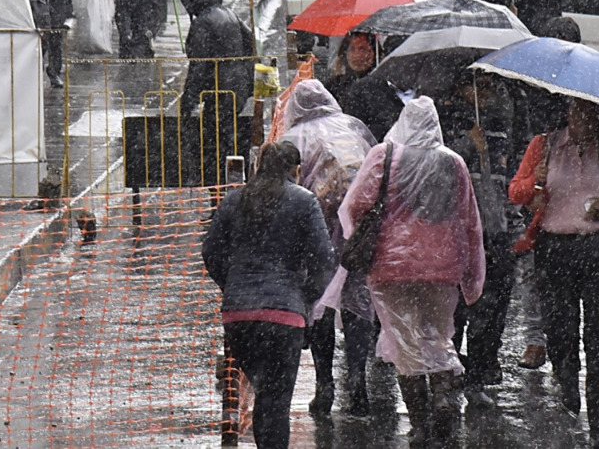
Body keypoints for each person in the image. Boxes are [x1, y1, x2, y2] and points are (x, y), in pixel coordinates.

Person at [334, 97, 485, 447]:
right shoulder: (455, 163)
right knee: (437, 335)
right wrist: (472, 277)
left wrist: (374, 233)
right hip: (442, 269)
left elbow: (355, 204)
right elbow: (470, 223)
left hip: (392, 269)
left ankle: (420, 424)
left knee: (405, 345)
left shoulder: (385, 156)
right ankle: (445, 393)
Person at [508, 97, 599, 449]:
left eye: (589, 112)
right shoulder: (544, 145)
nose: (581, 118)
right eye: (575, 111)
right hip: (555, 249)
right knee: (560, 330)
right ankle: (568, 385)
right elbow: (516, 191)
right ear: (565, 113)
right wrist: (533, 189)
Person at [202, 140, 335, 449]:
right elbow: (323, 260)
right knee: (275, 400)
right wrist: (304, 299)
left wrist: (233, 285)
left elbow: (211, 252)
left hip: (238, 316)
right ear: (296, 170)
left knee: (265, 393)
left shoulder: (234, 200)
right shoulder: (304, 201)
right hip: (284, 316)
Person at [276, 79, 378, 417]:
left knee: (321, 304)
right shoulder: (355, 126)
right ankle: (358, 377)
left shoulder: (293, 139)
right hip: (359, 225)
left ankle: (325, 382)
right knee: (357, 301)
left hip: (317, 229)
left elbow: (286, 191)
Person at [441, 71, 519, 402]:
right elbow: (439, 170)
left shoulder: (501, 122)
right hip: (460, 237)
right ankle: (451, 374)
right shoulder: (448, 122)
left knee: (492, 313)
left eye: (489, 86)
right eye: (477, 86)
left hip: (497, 234)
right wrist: (466, 145)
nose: (484, 94)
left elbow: (512, 174)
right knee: (456, 312)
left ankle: (479, 377)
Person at [177, 0, 256, 186]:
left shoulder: (203, 22)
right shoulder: (229, 14)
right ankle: (233, 188)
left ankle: (220, 195)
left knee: (214, 150)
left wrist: (189, 99)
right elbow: (251, 44)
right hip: (235, 92)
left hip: (218, 94)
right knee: (230, 145)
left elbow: (199, 68)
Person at [323, 32, 376, 105]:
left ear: (374, 53)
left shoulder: (381, 85)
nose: (357, 55)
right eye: (352, 49)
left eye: (363, 49)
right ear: (345, 53)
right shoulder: (334, 85)